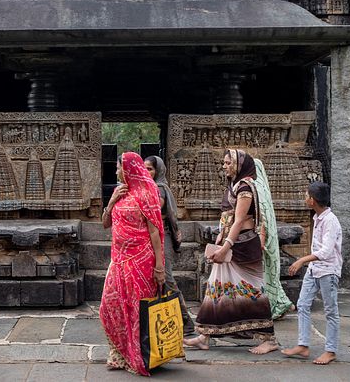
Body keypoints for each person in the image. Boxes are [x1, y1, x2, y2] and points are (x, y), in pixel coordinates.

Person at [183, 149, 278, 355]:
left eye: (228, 163)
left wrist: (226, 245)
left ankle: (269, 339)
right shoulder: (234, 186)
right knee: (216, 288)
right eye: (224, 163)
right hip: (231, 243)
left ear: (239, 165)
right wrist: (220, 237)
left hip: (243, 246)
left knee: (254, 292)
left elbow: (240, 220)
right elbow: (227, 218)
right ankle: (204, 335)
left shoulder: (245, 187)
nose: (224, 166)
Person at [100, 152, 166, 376]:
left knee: (137, 311)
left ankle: (139, 356)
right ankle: (120, 354)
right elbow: (105, 224)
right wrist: (111, 202)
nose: (116, 171)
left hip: (141, 260)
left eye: (119, 168)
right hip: (118, 260)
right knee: (110, 307)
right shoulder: (119, 192)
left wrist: (159, 267)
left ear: (128, 169)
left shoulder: (147, 193)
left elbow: (155, 232)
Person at [282, 181, 342, 365]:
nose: (305, 198)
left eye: (307, 195)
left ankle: (330, 350)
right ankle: (303, 345)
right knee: (302, 304)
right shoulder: (317, 218)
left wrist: (301, 260)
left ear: (313, 200)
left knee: (331, 311)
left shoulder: (330, 221)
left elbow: (326, 252)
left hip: (328, 271)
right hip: (315, 270)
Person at [144, 155, 196, 335]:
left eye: (150, 169)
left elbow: (153, 210)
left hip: (162, 234)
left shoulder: (159, 188)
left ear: (158, 171)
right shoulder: (149, 188)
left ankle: (185, 320)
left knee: (166, 277)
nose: (146, 172)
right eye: (144, 169)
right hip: (150, 237)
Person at [251, 158, 295, 319]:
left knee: (264, 275)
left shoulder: (256, 187)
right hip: (266, 239)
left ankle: (274, 305)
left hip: (260, 239)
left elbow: (261, 217)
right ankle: (283, 303)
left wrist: (261, 239)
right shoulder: (262, 186)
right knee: (269, 274)